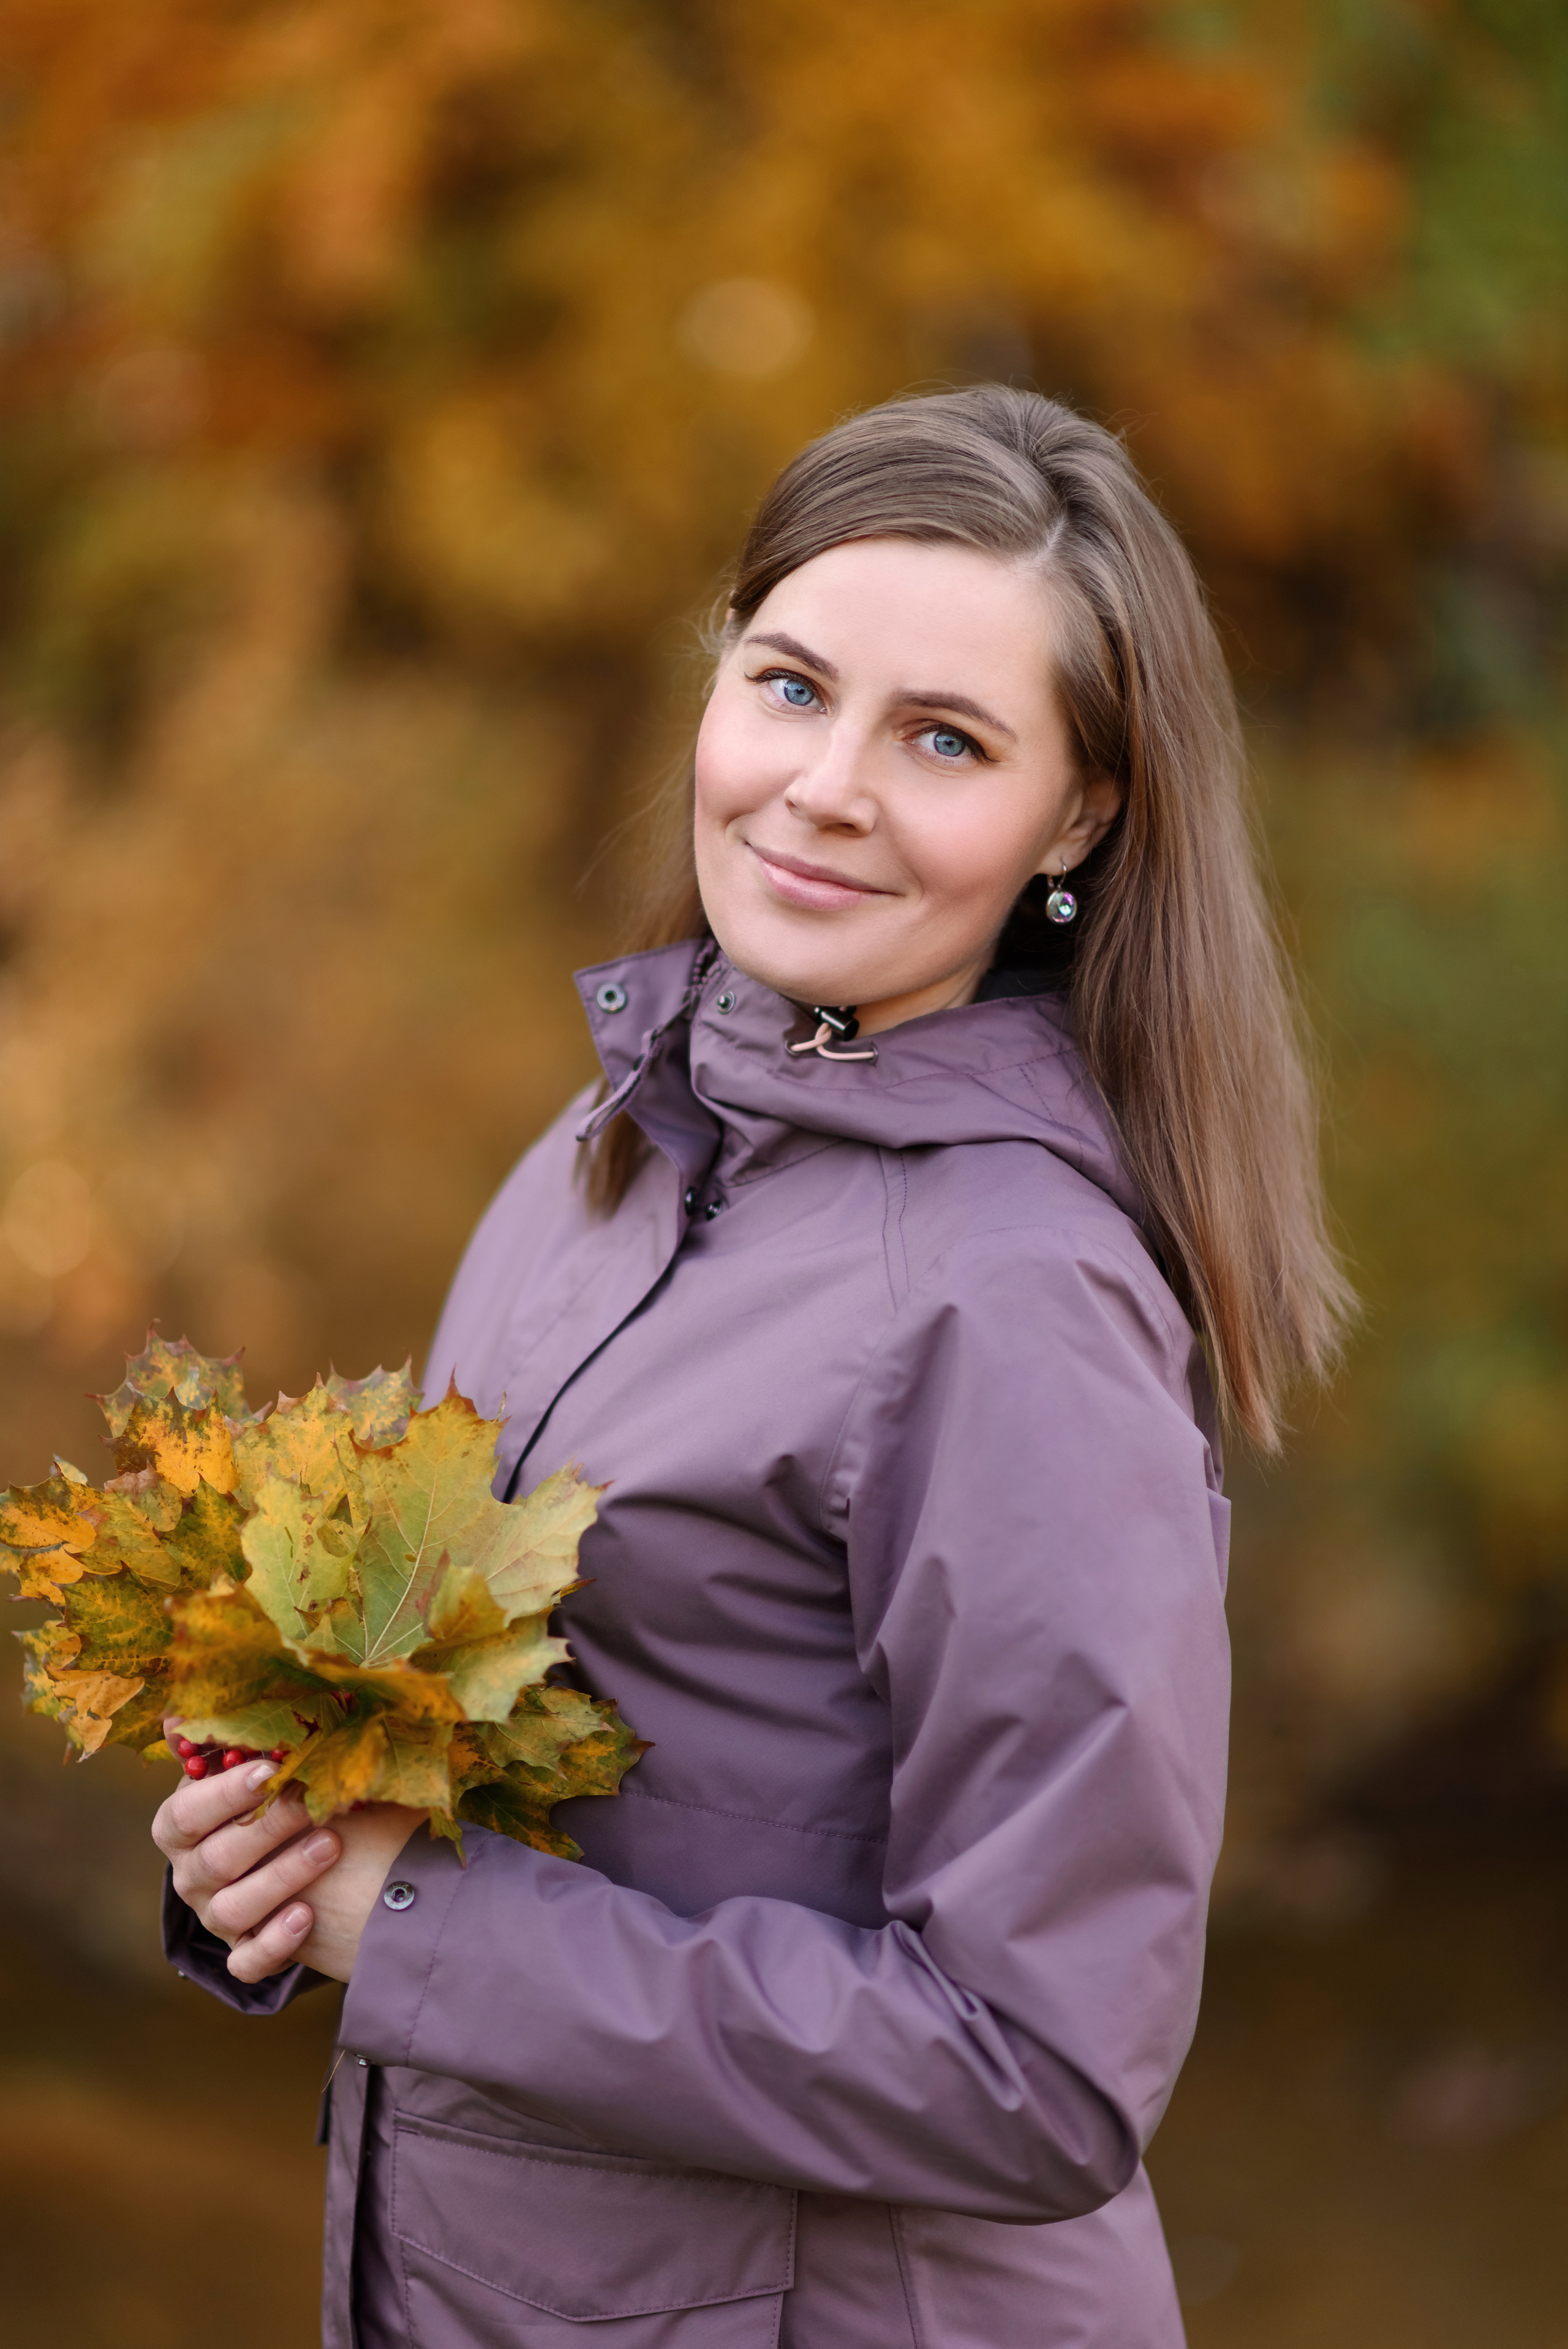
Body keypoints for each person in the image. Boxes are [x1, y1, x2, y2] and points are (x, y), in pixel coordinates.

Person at [153, 387, 1348, 2348]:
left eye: (945, 739)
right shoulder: (609, 1143)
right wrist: (283, 1846)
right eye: (791, 686)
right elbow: (501, 1761)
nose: (825, 787)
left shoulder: (1016, 1295)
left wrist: (418, 1924)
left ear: (1078, 814)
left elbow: (1044, 2070)